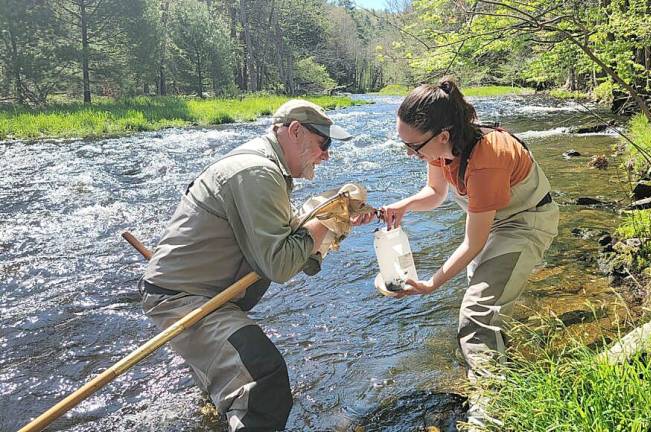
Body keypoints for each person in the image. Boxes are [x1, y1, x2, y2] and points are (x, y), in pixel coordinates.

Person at [140, 99, 353, 431]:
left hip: (208, 297)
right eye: (323, 143)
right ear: (295, 131)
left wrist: (335, 222)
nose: (327, 154)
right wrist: (327, 221)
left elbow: (292, 253)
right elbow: (279, 265)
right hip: (185, 301)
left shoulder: (266, 168)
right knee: (263, 378)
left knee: (234, 395)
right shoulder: (258, 172)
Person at [380, 77, 559, 381]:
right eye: (404, 144)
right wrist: (405, 205)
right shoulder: (440, 148)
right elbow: (435, 193)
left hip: (525, 222)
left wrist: (431, 284)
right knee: (484, 302)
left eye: (413, 146)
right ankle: (504, 366)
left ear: (442, 135)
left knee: (476, 313)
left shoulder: (487, 161)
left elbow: (472, 243)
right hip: (492, 223)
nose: (410, 153)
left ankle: (491, 409)